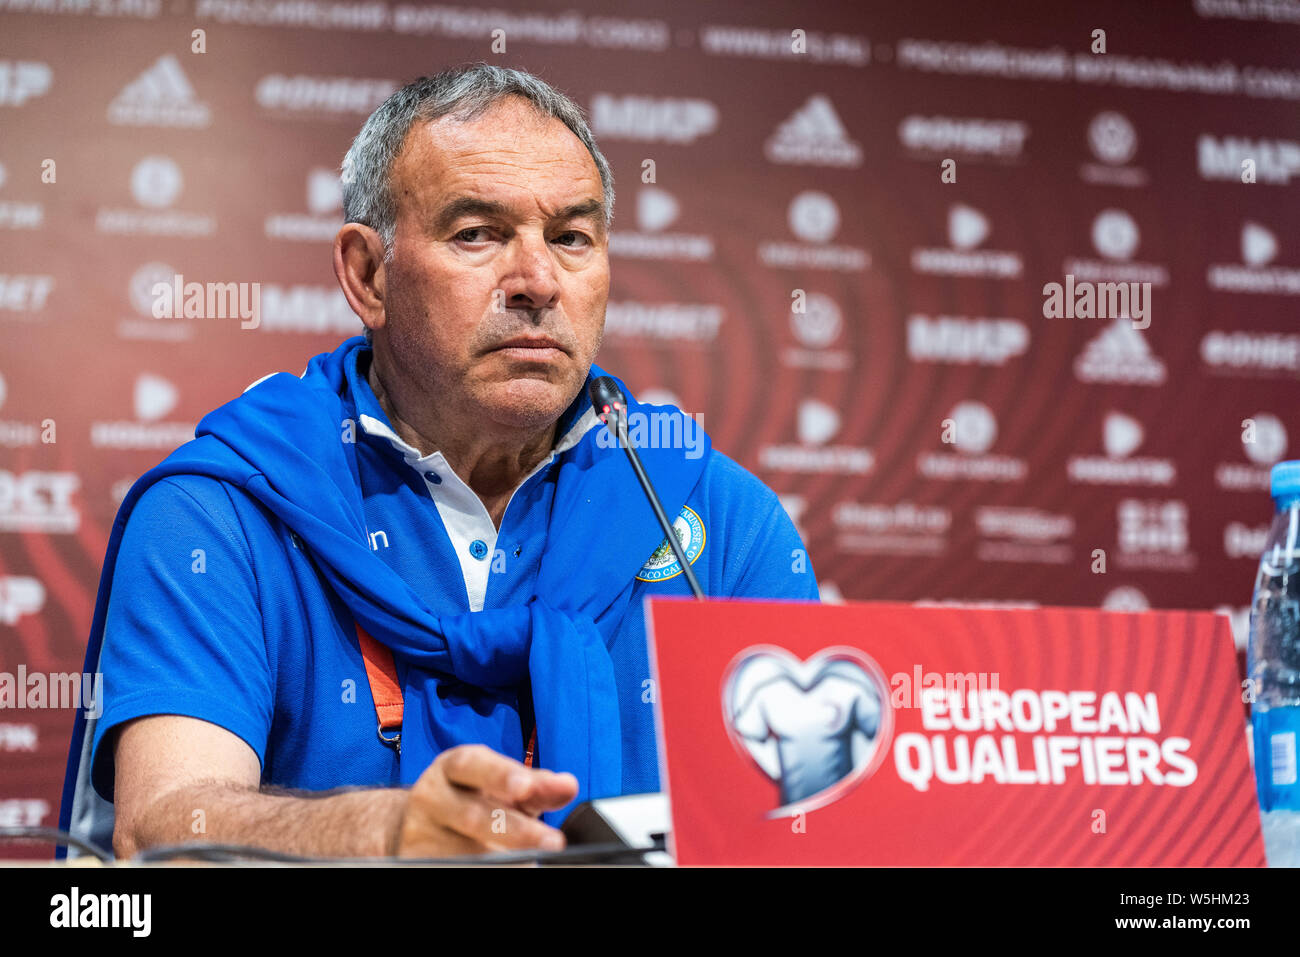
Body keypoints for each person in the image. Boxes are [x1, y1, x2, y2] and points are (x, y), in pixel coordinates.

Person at [59, 63, 819, 861]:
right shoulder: (223, 510)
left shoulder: (718, 519)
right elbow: (169, 824)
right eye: (477, 234)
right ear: (367, 274)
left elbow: (814, 822)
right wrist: (382, 836)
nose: (537, 282)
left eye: (571, 237)